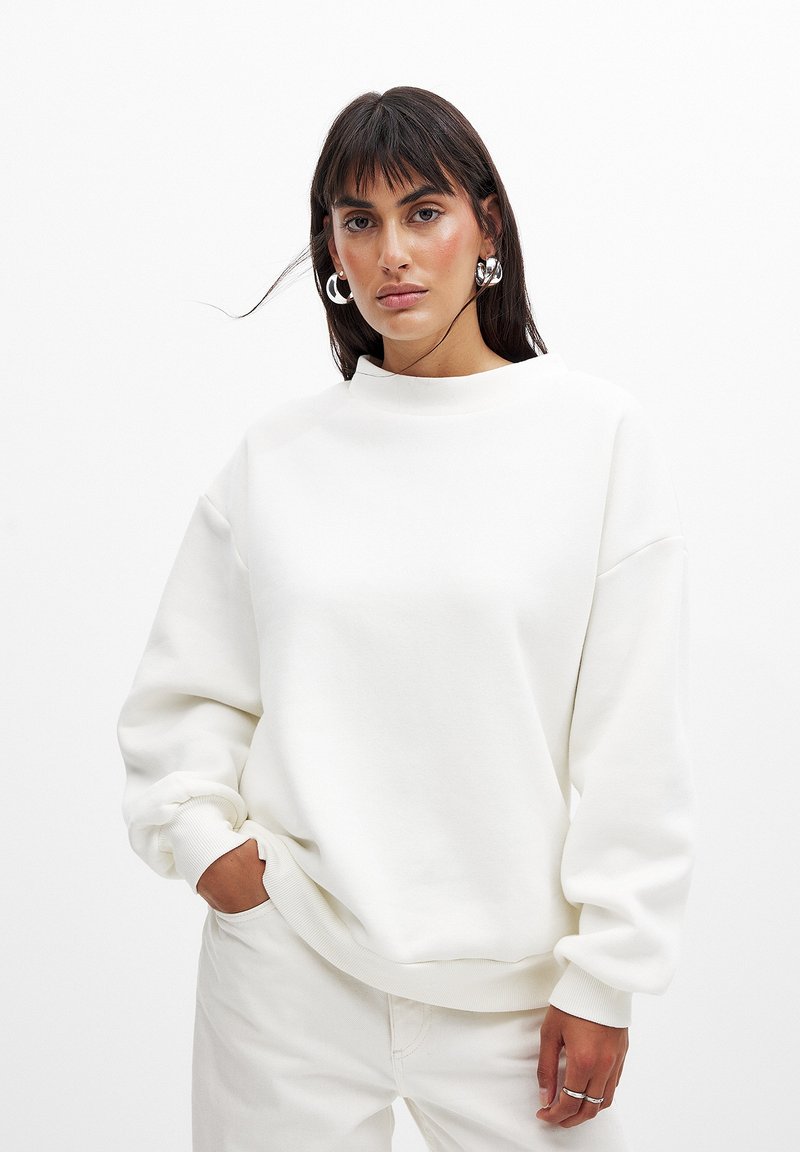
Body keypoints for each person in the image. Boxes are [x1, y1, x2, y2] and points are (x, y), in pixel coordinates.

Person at [118, 86, 693, 1151]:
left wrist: (607, 974)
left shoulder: (595, 439)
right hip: (286, 971)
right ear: (331, 248)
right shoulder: (279, 457)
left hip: (519, 995)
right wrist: (208, 852)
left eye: (423, 212)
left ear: (486, 226)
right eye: (359, 220)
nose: (392, 253)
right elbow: (186, 695)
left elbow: (632, 739)